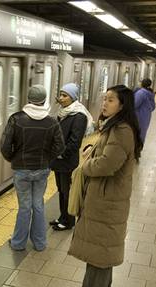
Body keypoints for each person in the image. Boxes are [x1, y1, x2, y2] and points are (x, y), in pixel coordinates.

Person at [68, 85, 143, 287]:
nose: (104, 103)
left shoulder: (121, 130)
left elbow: (106, 165)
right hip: (107, 199)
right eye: (105, 99)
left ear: (122, 105)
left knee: (98, 255)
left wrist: (85, 164)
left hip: (106, 201)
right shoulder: (118, 127)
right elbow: (109, 156)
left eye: (110, 100)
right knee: (102, 253)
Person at [1, 84, 65, 251]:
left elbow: (5, 146)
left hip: (21, 170)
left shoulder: (16, 119)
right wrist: (47, 159)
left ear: (29, 99)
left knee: (24, 207)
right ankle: (40, 243)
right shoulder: (52, 122)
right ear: (44, 101)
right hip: (42, 170)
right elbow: (60, 146)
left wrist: (13, 159)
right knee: (38, 205)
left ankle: (18, 243)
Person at [49, 83, 93, 231]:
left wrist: (61, 153)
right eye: (60, 95)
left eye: (65, 95)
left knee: (67, 191)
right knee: (60, 190)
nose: (61, 98)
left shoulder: (79, 116)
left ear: (73, 98)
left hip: (67, 160)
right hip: (58, 160)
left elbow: (75, 141)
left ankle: (68, 221)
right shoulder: (63, 112)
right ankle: (62, 216)